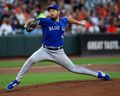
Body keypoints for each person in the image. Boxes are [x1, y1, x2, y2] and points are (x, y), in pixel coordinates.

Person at [6, 4, 111, 91]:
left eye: (53, 10)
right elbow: (32, 21)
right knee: (30, 60)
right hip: (44, 50)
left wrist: (79, 22)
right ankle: (16, 81)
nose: (51, 12)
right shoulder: (45, 21)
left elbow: (68, 19)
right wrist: (26, 25)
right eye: (50, 11)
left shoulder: (63, 20)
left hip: (59, 53)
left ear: (58, 12)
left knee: (74, 68)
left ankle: (99, 74)